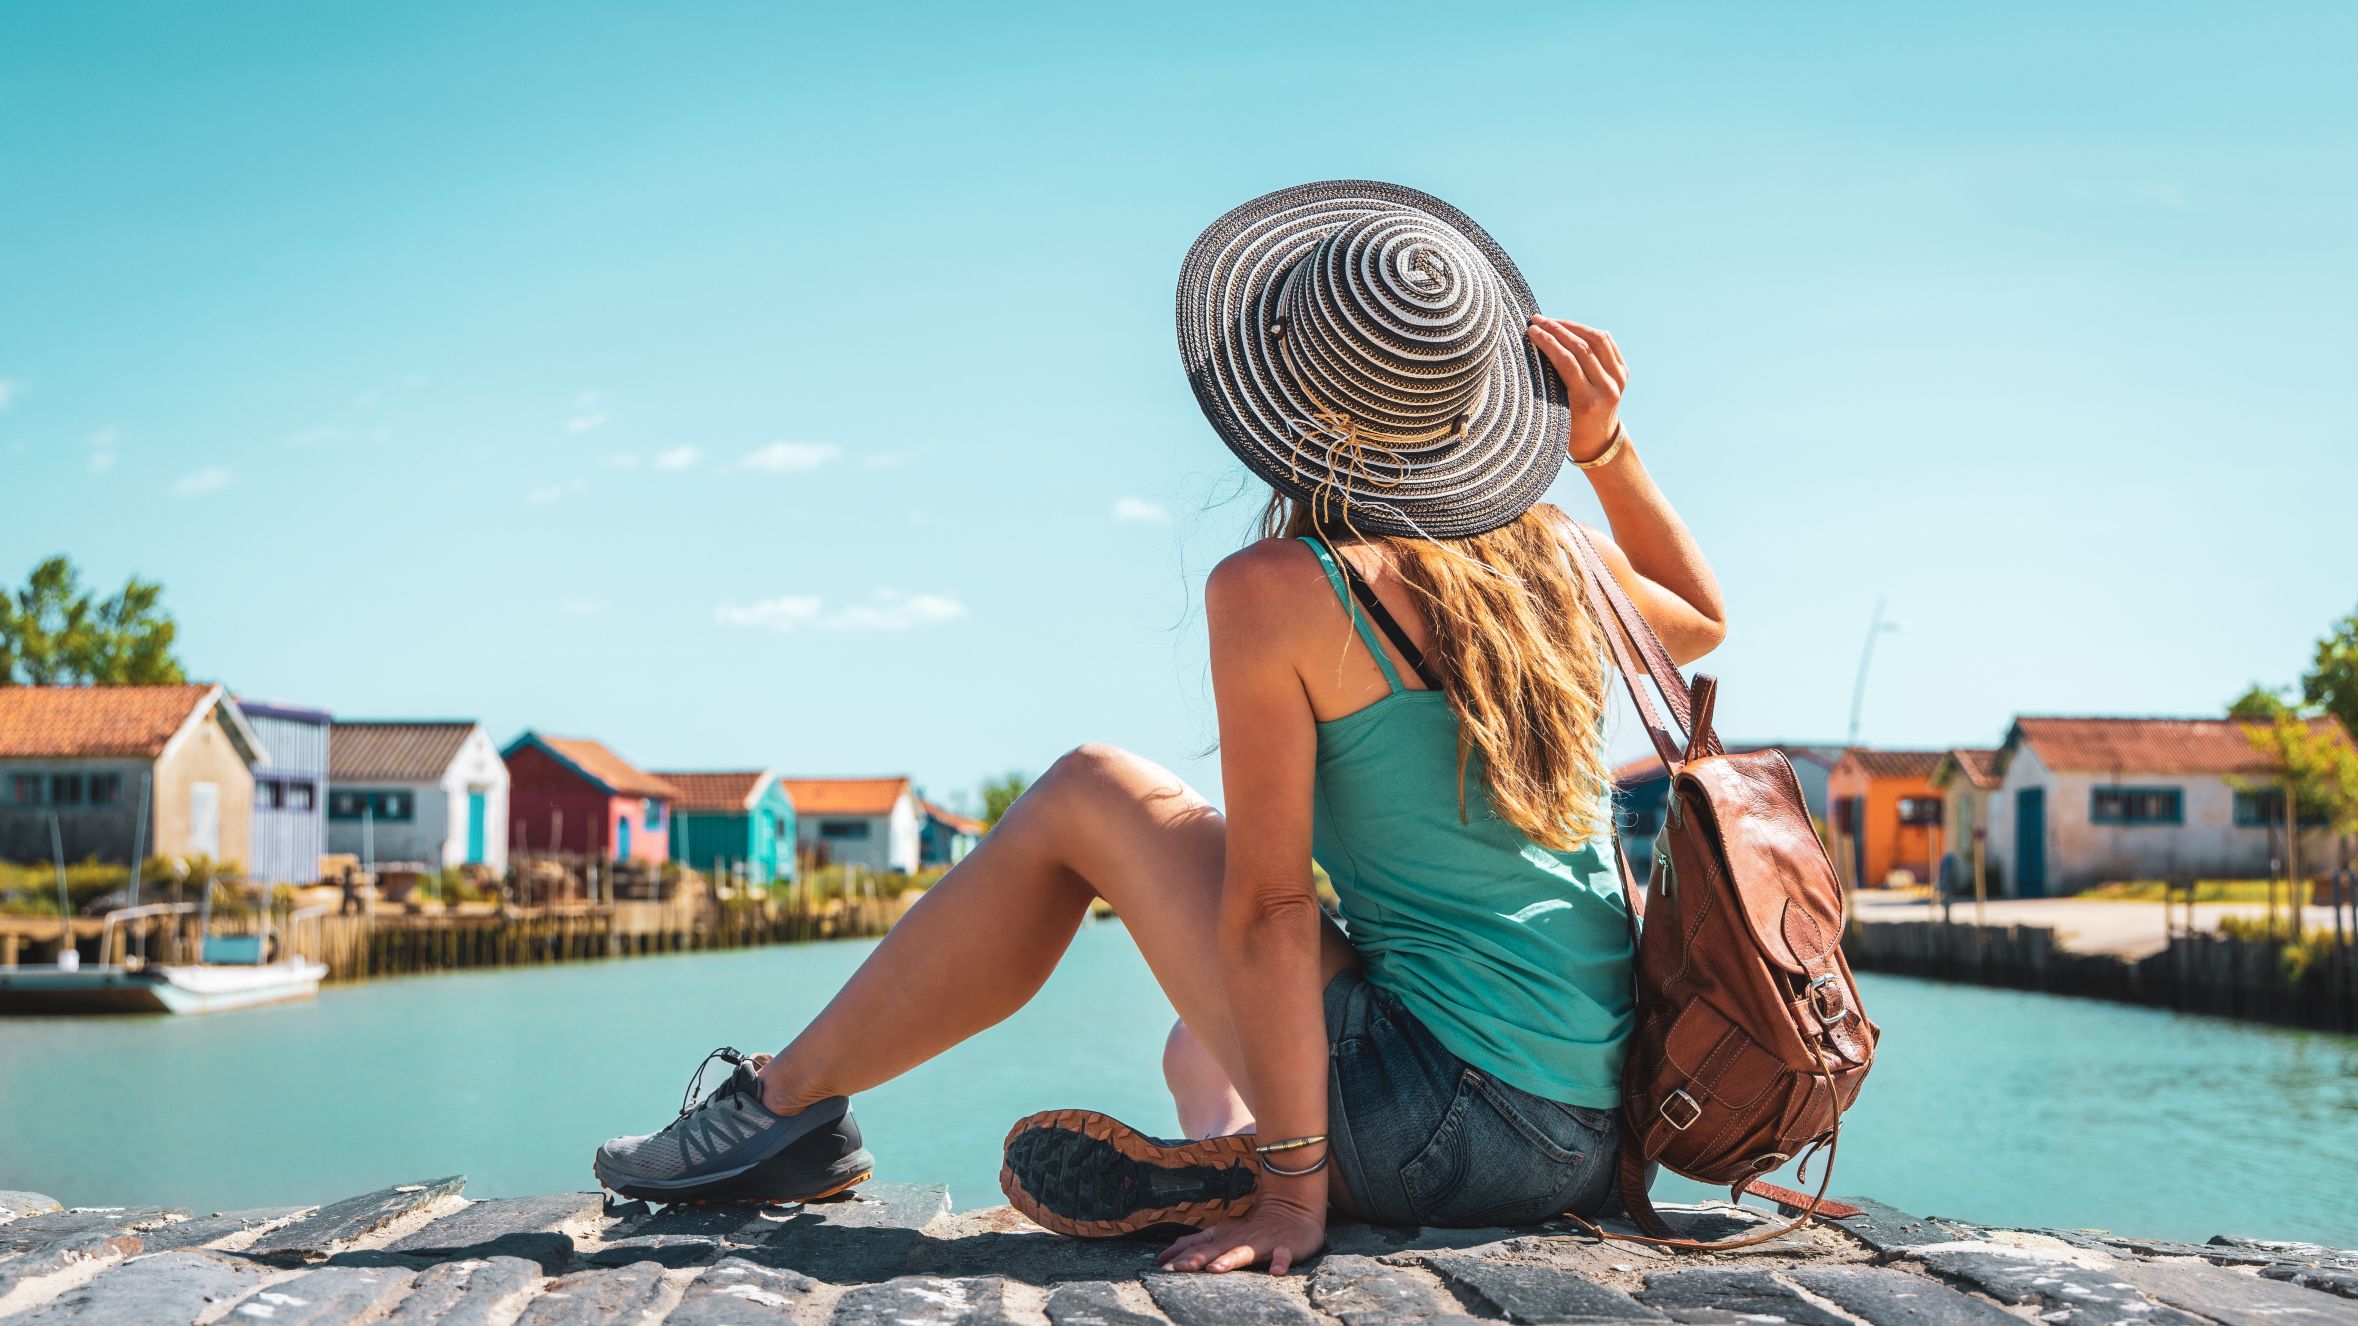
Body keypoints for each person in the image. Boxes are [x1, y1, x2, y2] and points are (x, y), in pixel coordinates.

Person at [592, 181, 1725, 1276]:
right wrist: (1606, 450)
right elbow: (1703, 621)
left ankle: (785, 1110)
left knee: (1091, 790)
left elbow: (1275, 908)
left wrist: (1292, 1200)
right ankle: (1224, 1136)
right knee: (1199, 1042)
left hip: (1443, 1130)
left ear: (1297, 396)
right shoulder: (1551, 555)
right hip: (1588, 1134)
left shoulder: (1285, 587)